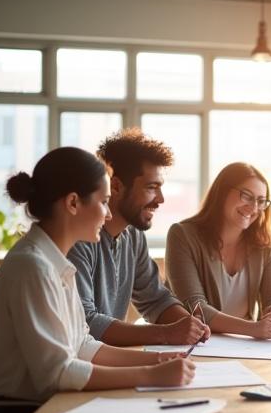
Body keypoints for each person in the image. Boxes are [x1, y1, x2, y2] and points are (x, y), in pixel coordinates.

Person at [0, 147, 195, 413]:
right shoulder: (33, 267)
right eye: (103, 202)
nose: (109, 214)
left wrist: (155, 361)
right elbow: (58, 374)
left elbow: (82, 345)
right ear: (73, 203)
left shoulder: (53, 260)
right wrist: (151, 376)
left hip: (30, 408)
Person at [68, 128, 209, 347]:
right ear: (115, 186)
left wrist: (188, 324)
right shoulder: (78, 238)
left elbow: (156, 299)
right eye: (152, 187)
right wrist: (166, 334)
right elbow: (85, 323)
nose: (160, 199)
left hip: (104, 362)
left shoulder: (133, 234)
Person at [165, 162, 271, 338]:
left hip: (244, 346)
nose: (254, 207)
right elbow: (196, 309)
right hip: (196, 344)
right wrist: (253, 328)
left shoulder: (267, 243)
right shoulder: (182, 235)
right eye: (247, 196)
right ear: (222, 193)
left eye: (261, 201)